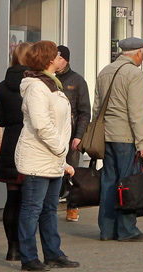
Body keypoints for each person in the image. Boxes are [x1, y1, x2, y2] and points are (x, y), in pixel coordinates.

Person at [16, 41, 79, 271]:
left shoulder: (52, 84)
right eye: (57, 55)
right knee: (32, 210)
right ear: (49, 60)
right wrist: (62, 149)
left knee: (49, 209)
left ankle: (53, 253)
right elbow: (41, 124)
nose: (60, 58)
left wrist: (61, 158)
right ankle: (28, 258)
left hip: (52, 158)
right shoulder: (37, 87)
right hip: (38, 158)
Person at [94, 37, 143, 242]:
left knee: (109, 182)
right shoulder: (134, 75)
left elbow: (97, 108)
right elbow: (137, 112)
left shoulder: (105, 71)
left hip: (107, 136)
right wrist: (142, 142)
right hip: (127, 137)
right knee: (128, 183)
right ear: (138, 53)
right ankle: (127, 230)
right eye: (142, 53)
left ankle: (107, 230)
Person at [0, 42, 31, 261]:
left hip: (10, 141)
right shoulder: (34, 83)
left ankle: (12, 249)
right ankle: (26, 248)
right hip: (29, 141)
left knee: (12, 198)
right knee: (28, 200)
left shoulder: (3, 85)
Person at [54, 46, 90, 223]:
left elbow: (84, 112)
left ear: (66, 60)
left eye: (59, 58)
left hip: (71, 135)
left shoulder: (77, 81)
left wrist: (79, 135)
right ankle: (50, 207)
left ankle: (72, 207)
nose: (56, 60)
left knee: (72, 173)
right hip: (54, 134)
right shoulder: (49, 79)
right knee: (53, 171)